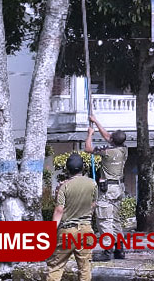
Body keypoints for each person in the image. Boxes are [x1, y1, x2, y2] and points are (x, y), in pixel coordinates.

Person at [46, 153, 97, 281]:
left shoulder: (64, 186)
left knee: (56, 265)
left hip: (67, 231)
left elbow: (59, 210)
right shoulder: (92, 184)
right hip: (86, 229)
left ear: (67, 169)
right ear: (83, 168)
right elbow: (93, 205)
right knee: (85, 267)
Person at [85, 115, 128, 261]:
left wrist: (90, 134)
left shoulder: (107, 152)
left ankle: (107, 250)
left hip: (107, 190)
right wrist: (96, 121)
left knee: (104, 219)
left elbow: (88, 148)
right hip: (119, 188)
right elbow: (108, 136)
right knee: (115, 219)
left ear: (112, 140)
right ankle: (119, 249)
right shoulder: (123, 150)